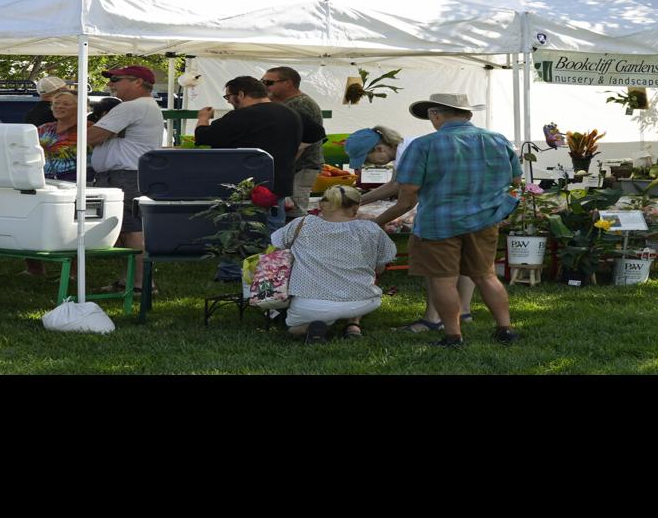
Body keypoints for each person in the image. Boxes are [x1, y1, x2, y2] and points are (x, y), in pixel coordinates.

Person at [373, 93, 520, 346]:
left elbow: (407, 198)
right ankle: (505, 329)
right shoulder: (498, 140)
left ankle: (453, 335)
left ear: (435, 114)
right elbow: (515, 182)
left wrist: (378, 221)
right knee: (486, 276)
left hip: (438, 223)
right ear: (468, 114)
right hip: (484, 220)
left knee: (443, 280)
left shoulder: (423, 145)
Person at [196, 76, 324, 281]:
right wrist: (295, 150)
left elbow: (203, 137)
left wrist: (203, 118)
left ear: (241, 94)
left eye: (229, 96)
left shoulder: (243, 116)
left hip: (245, 184)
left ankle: (233, 272)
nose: (229, 101)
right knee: (273, 230)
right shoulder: (291, 112)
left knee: (238, 228)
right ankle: (272, 273)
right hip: (278, 182)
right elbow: (317, 131)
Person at [353, 122, 479, 329]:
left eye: (368, 158)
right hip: (467, 206)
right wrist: (360, 200)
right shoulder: (409, 146)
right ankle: (463, 313)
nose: (371, 164)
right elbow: (394, 185)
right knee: (464, 261)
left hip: (441, 210)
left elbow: (406, 202)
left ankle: (433, 319)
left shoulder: (410, 152)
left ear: (380, 149)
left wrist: (376, 223)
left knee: (433, 266)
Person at [272, 184, 398, 342]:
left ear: (321, 205)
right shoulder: (371, 229)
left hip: (309, 305)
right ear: (356, 208)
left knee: (294, 330)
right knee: (362, 281)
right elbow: (380, 268)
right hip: (363, 301)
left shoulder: (301, 224)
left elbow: (276, 250)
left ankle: (314, 327)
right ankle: (353, 325)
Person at [88, 65, 164, 295]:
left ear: (137, 82)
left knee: (132, 231)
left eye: (117, 79)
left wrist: (86, 126)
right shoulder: (143, 106)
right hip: (127, 175)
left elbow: (90, 136)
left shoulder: (132, 106)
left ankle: (142, 284)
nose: (111, 84)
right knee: (128, 230)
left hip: (125, 176)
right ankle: (130, 280)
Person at [22, 88, 86, 276]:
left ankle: (74, 273)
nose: (59, 107)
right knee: (32, 221)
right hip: (44, 182)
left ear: (80, 107)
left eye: (66, 103)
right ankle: (34, 269)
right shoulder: (44, 128)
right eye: (56, 103)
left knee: (74, 227)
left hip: (76, 183)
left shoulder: (88, 128)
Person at [262, 66, 324, 219]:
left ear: (288, 83)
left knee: (294, 213)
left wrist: (283, 169)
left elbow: (301, 142)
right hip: (295, 167)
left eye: (268, 82)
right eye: (262, 82)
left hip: (300, 167)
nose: (264, 85)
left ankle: (296, 242)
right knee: (289, 211)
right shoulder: (291, 102)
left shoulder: (299, 104)